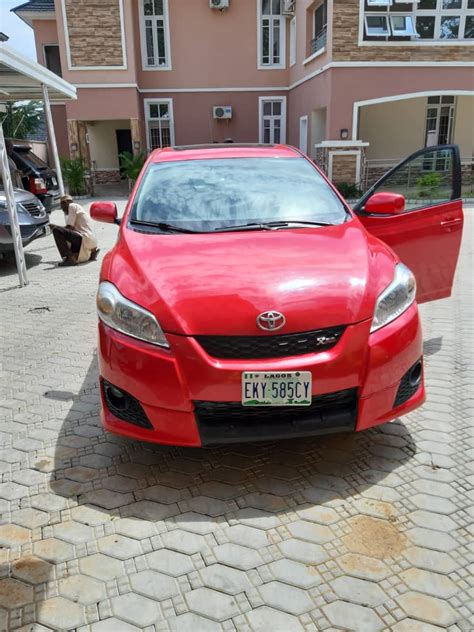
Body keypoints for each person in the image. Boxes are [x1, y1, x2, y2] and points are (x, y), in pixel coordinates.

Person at [51, 195, 99, 266]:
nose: (62, 210)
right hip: (91, 240)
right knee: (72, 248)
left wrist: (55, 226)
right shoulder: (79, 208)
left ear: (65, 202)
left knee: (57, 231)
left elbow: (69, 227)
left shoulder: (72, 206)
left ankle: (69, 259)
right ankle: (90, 253)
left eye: (62, 207)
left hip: (85, 238)